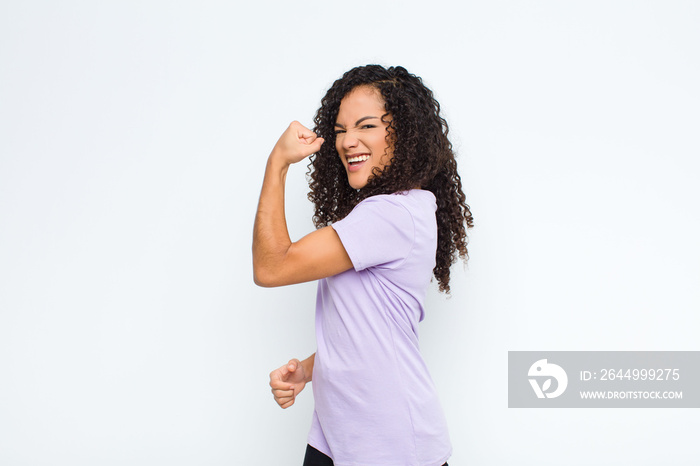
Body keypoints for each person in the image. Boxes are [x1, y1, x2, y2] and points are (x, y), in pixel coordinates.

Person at [253, 65, 473, 466]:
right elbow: (368, 332)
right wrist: (308, 370)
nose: (348, 141)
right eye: (339, 130)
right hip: (335, 435)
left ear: (403, 133)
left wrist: (278, 163)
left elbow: (272, 267)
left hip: (390, 444)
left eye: (366, 126)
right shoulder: (389, 212)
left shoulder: (391, 214)